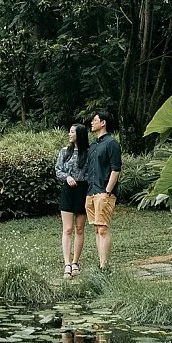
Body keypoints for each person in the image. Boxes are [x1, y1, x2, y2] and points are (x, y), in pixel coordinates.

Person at [84, 108, 122, 271]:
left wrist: (107, 191)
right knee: (96, 228)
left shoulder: (111, 143)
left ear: (103, 123)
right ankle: (101, 264)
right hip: (91, 192)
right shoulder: (93, 146)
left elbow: (116, 169)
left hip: (104, 192)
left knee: (103, 228)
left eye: (95, 120)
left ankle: (104, 266)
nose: (92, 123)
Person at [54, 123, 89, 277]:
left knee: (80, 228)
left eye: (72, 132)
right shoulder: (64, 152)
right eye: (69, 131)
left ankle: (76, 262)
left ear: (79, 134)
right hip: (68, 190)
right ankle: (67, 263)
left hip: (83, 190)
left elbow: (92, 171)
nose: (69, 134)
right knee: (67, 229)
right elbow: (58, 169)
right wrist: (67, 177)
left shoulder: (88, 152)